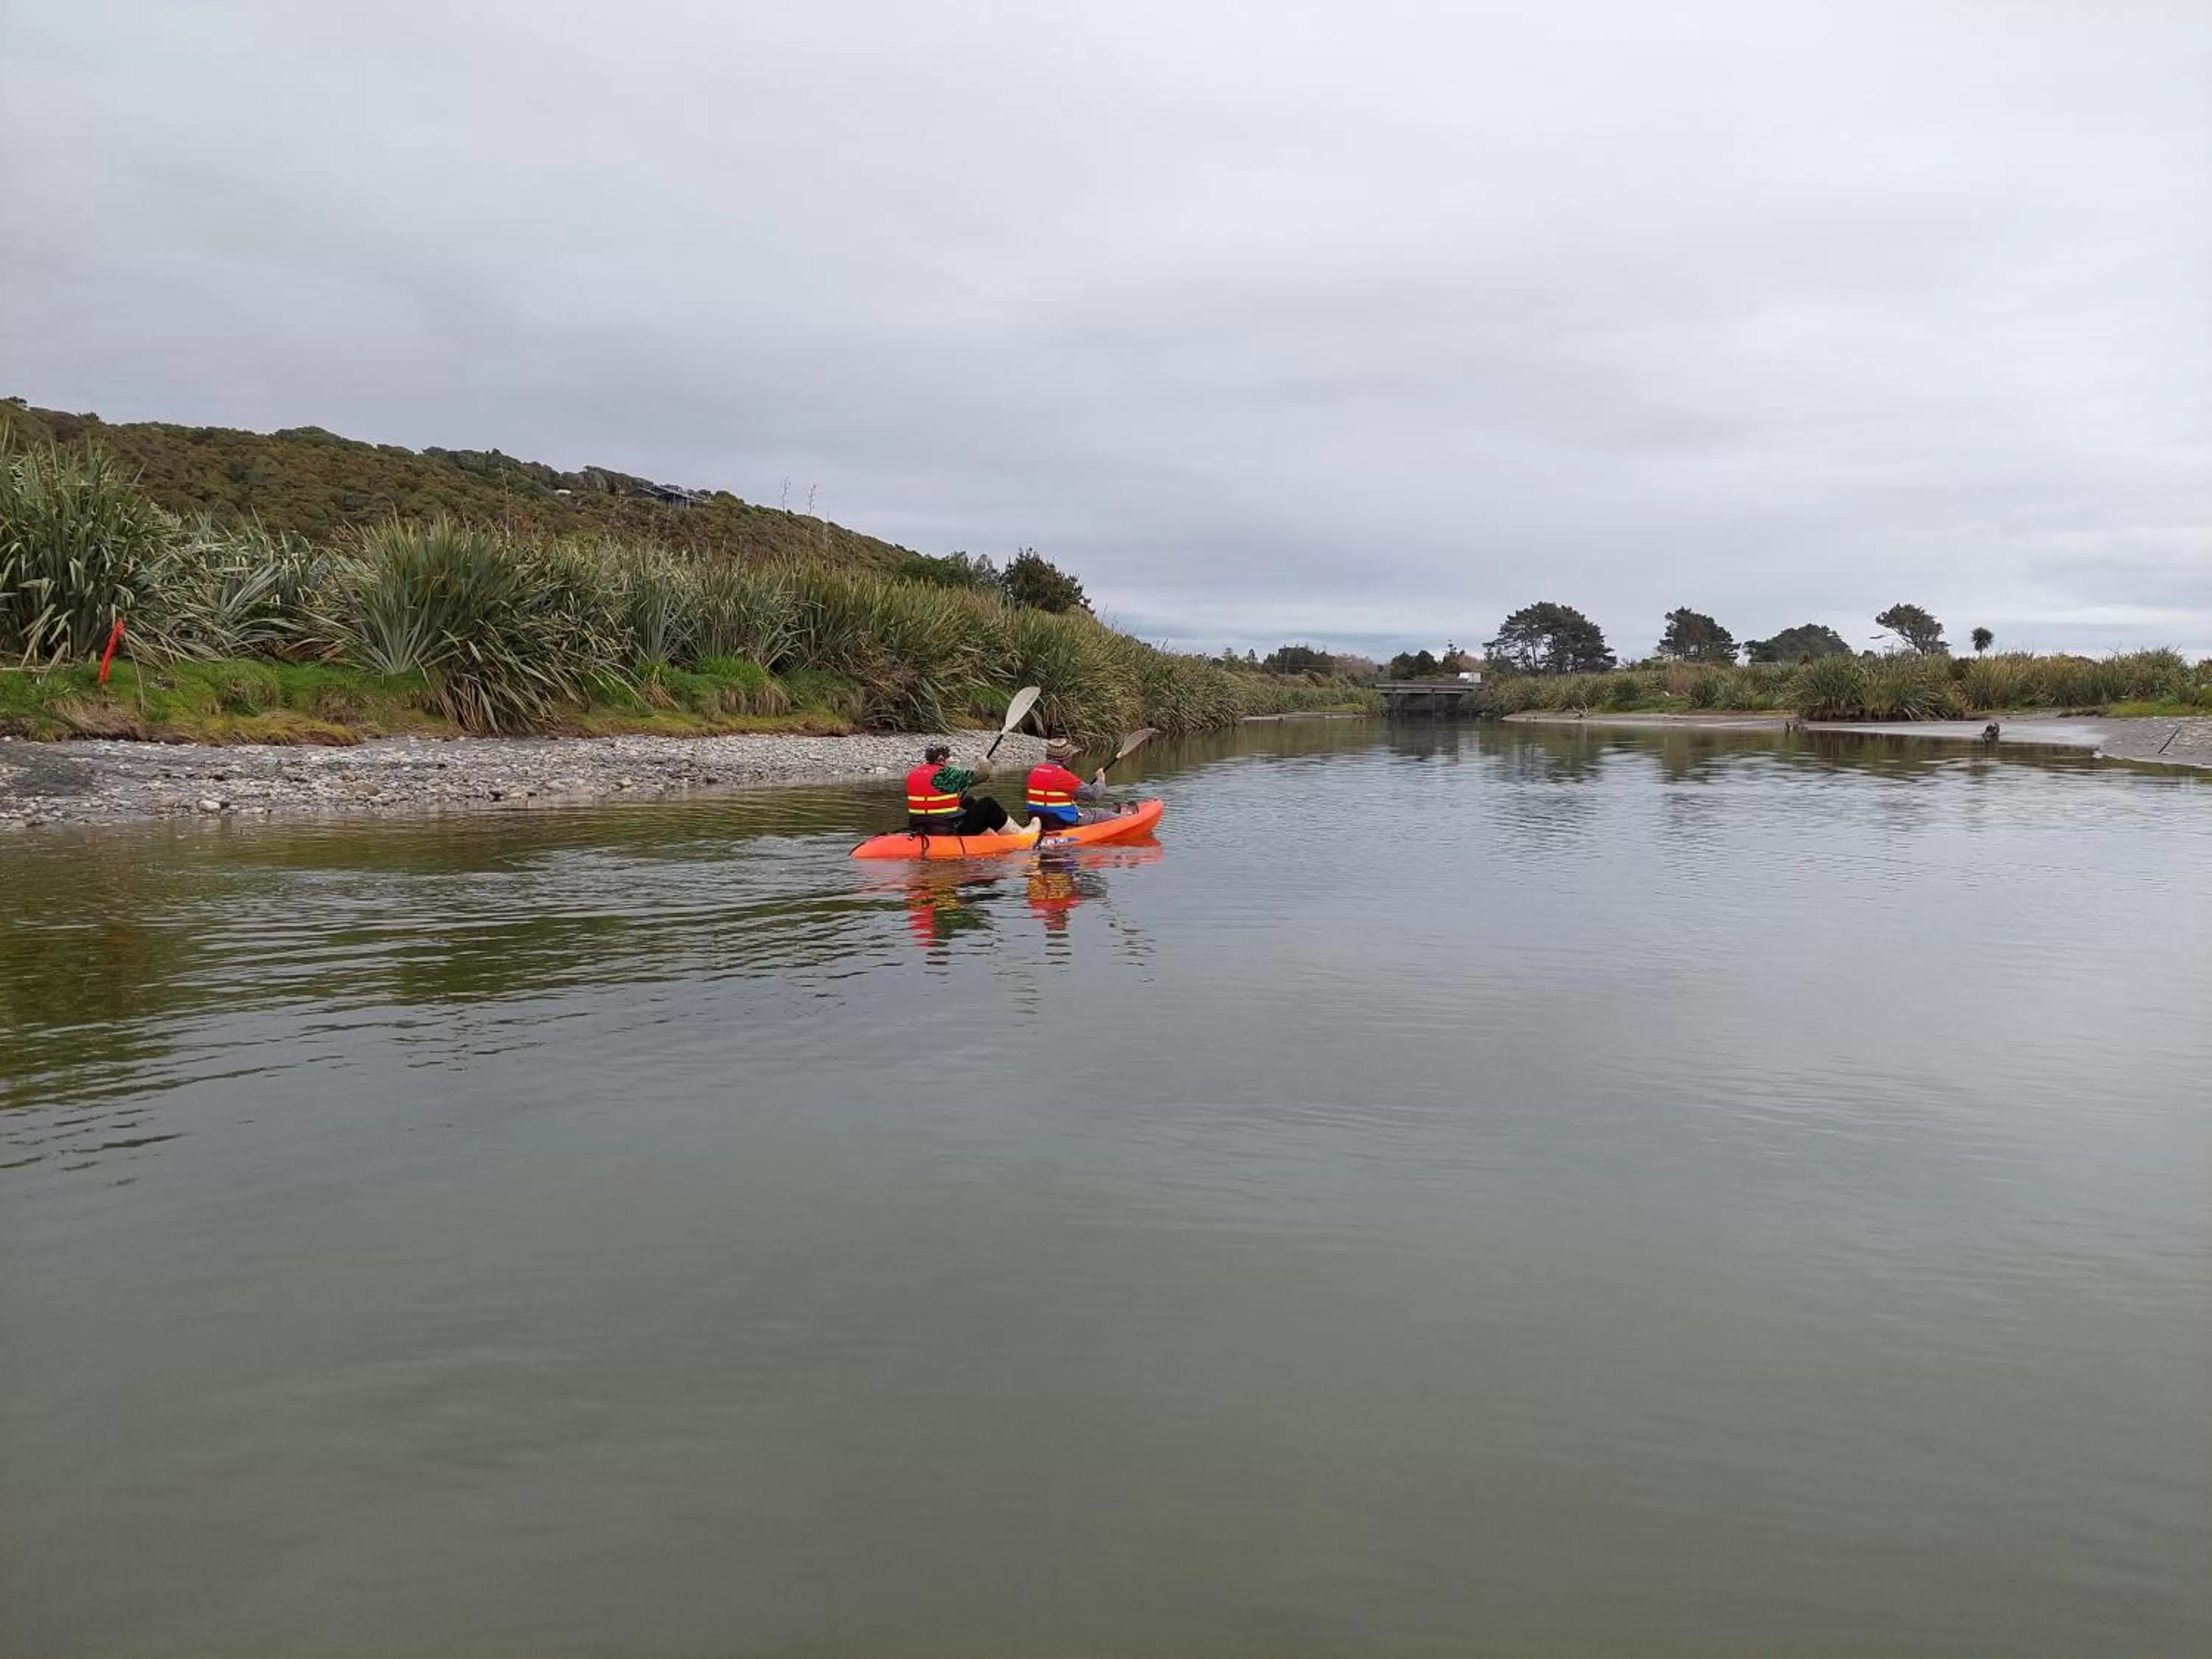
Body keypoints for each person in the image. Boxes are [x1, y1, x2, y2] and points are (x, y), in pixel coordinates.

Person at [905, 742, 1009, 836]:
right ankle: (1015, 835)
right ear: (941, 758)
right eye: (948, 757)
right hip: (944, 827)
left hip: (920, 824)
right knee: (988, 804)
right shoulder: (945, 774)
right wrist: (983, 762)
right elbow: (984, 775)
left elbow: (933, 793)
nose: (949, 760)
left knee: (970, 801)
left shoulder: (913, 774)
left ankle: (989, 834)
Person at [1025, 737, 1125, 829]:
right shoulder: (1062, 775)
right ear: (1066, 758)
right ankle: (1124, 817)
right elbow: (1093, 794)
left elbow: (1050, 793)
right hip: (1060, 820)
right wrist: (1100, 780)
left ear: (1047, 756)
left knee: (1084, 810)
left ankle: (1111, 812)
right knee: (1098, 814)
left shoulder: (1034, 772)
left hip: (1037, 818)